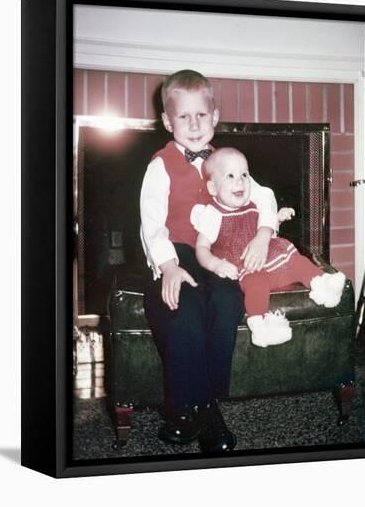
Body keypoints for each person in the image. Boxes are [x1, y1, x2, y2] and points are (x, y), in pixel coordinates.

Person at [140, 70, 278, 453]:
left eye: (202, 115)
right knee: (182, 308)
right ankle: (192, 408)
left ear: (215, 117)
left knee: (227, 301)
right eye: (184, 117)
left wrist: (264, 233)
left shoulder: (226, 161)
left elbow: (263, 196)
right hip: (178, 251)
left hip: (219, 253)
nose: (195, 124)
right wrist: (167, 266)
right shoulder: (160, 165)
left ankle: (205, 402)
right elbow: (150, 222)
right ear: (168, 122)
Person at [192, 147, 346, 348]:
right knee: (256, 283)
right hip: (244, 264)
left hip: (270, 259)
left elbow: (263, 227)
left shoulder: (254, 203)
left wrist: (277, 219)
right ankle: (261, 325)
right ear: (212, 188)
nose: (240, 181)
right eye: (230, 176)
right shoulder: (212, 214)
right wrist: (215, 264)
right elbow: (201, 248)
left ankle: (322, 285)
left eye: (244, 175)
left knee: (297, 261)